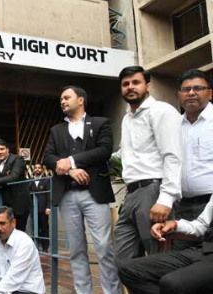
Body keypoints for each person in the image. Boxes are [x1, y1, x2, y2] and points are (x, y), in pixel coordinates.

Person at [43, 85, 121, 294]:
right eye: (60, 99)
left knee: (104, 248)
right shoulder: (56, 130)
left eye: (66, 97)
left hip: (95, 194)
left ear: (81, 100)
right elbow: (48, 157)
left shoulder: (100, 123)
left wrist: (71, 161)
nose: (62, 101)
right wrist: (69, 171)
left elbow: (104, 151)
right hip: (67, 195)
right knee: (76, 250)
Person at [113, 66, 183, 261]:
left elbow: (173, 155)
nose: (130, 87)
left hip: (153, 191)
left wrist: (166, 198)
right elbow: (124, 153)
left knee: (158, 258)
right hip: (131, 194)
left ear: (148, 86)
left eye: (136, 82)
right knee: (124, 262)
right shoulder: (127, 119)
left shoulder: (161, 111)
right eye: (125, 84)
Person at [118, 196, 213, 294]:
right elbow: (202, 224)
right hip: (203, 249)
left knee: (171, 283)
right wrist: (174, 224)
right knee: (129, 271)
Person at [174, 69, 213, 249]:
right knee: (180, 263)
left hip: (210, 204)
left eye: (198, 88)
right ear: (179, 94)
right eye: (186, 89)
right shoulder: (173, 126)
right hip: (181, 208)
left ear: (210, 92)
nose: (191, 93)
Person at [0, 138, 30, 231]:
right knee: (2, 232)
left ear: (7, 149)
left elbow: (13, 177)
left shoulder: (17, 159)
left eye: (2, 149)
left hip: (18, 204)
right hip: (2, 203)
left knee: (18, 233)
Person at [29, 163, 50, 252]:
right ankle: (35, 247)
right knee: (34, 228)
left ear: (42, 169)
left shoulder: (46, 180)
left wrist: (48, 207)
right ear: (33, 170)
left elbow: (49, 194)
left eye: (39, 168)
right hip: (33, 209)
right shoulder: (29, 181)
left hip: (43, 208)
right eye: (35, 168)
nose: (37, 169)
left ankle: (45, 248)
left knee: (44, 228)